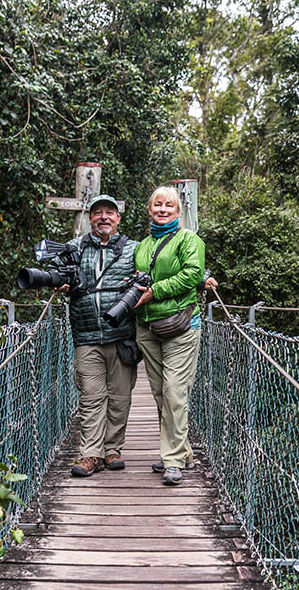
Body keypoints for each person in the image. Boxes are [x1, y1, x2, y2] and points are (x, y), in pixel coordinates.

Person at [134, 186, 217, 486]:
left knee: (174, 391)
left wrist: (155, 291)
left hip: (181, 325)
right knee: (161, 395)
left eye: (169, 205)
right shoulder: (142, 246)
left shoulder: (188, 239)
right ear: (150, 209)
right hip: (147, 327)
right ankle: (182, 452)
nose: (163, 209)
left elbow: (193, 274)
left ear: (179, 212)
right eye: (158, 204)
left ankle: (171, 461)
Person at [58, 194, 138, 477]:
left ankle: (112, 450)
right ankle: (90, 455)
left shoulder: (134, 250)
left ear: (118, 218)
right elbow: (55, 271)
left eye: (109, 213)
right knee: (91, 397)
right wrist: (60, 282)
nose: (103, 217)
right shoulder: (74, 248)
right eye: (98, 213)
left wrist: (201, 278)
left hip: (122, 335)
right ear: (90, 218)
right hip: (86, 335)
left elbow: (162, 268)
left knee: (119, 397)